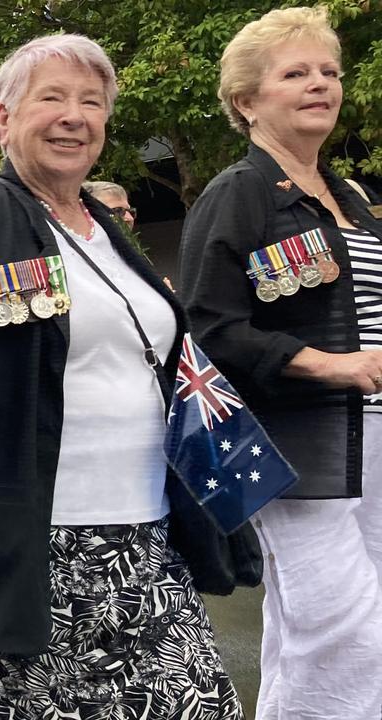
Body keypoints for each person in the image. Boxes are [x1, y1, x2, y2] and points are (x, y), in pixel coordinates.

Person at [0, 35, 241, 718]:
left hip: (143, 539)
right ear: (5, 116)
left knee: (201, 706)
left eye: (92, 102)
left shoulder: (105, 227)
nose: (75, 115)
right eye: (53, 97)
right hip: (22, 548)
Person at [178, 7, 382, 717]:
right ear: (247, 100)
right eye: (295, 73)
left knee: (316, 632)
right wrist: (331, 365)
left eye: (329, 72)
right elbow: (208, 326)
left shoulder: (355, 196)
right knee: (348, 634)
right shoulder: (239, 192)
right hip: (297, 450)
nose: (320, 84)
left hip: (375, 442)